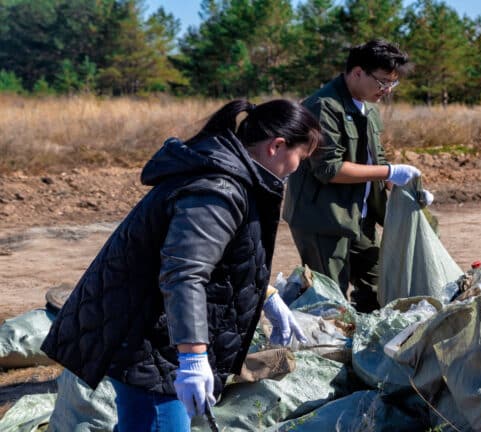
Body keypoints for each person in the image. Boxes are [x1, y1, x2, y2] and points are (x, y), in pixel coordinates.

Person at [41, 99, 322, 431]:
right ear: (277, 146)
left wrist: (268, 295)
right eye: (300, 158)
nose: (297, 168)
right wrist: (192, 359)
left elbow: (220, 260)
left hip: (155, 335)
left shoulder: (230, 176)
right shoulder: (218, 190)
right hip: (150, 345)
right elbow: (185, 273)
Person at [283, 39, 430, 313]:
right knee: (330, 299)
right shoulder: (324, 106)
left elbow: (376, 157)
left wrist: (403, 185)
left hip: (360, 216)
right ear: (358, 72)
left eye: (392, 84)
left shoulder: (369, 107)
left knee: (377, 288)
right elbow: (329, 168)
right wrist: (390, 172)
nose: (386, 90)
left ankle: (364, 348)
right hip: (323, 218)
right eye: (382, 82)